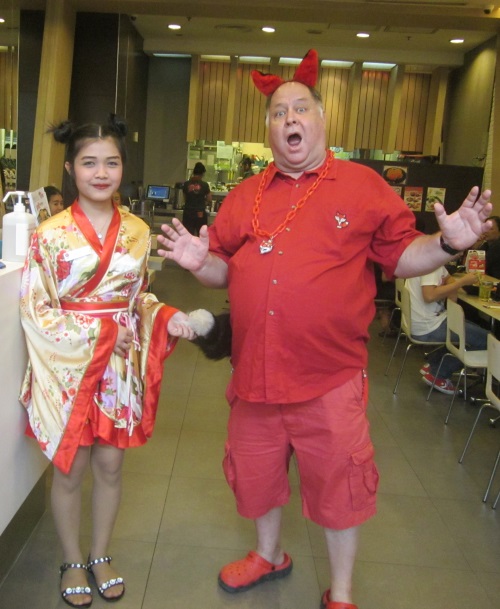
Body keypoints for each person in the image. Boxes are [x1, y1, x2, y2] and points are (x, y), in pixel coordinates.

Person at [156, 49, 492, 609]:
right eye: (278, 112)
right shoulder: (246, 195)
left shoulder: (362, 186)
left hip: (330, 378)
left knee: (341, 488)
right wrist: (199, 262)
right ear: (268, 129)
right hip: (255, 374)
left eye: (300, 108)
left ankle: (342, 592)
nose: (289, 118)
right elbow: (224, 269)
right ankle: (269, 555)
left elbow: (402, 254)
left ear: (322, 118)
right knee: (256, 476)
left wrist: (448, 244)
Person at [19, 115, 195, 608]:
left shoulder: (138, 231)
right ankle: (72, 558)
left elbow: (139, 298)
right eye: (89, 162)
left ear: (123, 167)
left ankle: (100, 554)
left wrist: (167, 317)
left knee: (112, 467)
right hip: (68, 369)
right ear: (70, 168)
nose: (101, 173)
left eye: (111, 163)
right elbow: (36, 309)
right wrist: (100, 333)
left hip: (117, 371)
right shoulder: (48, 234)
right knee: (70, 470)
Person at [406, 268, 488, 394]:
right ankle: (439, 374)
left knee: (476, 331)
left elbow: (449, 278)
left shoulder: (432, 262)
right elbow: (429, 296)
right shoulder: (432, 267)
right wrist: (461, 282)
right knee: (486, 340)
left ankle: (433, 364)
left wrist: (452, 286)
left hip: (425, 321)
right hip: (428, 326)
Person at [182, 161, 212, 236]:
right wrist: (204, 202)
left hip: (188, 213)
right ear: (202, 173)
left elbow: (184, 198)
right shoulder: (205, 185)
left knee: (188, 235)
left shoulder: (186, 184)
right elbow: (209, 199)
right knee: (201, 235)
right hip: (200, 213)